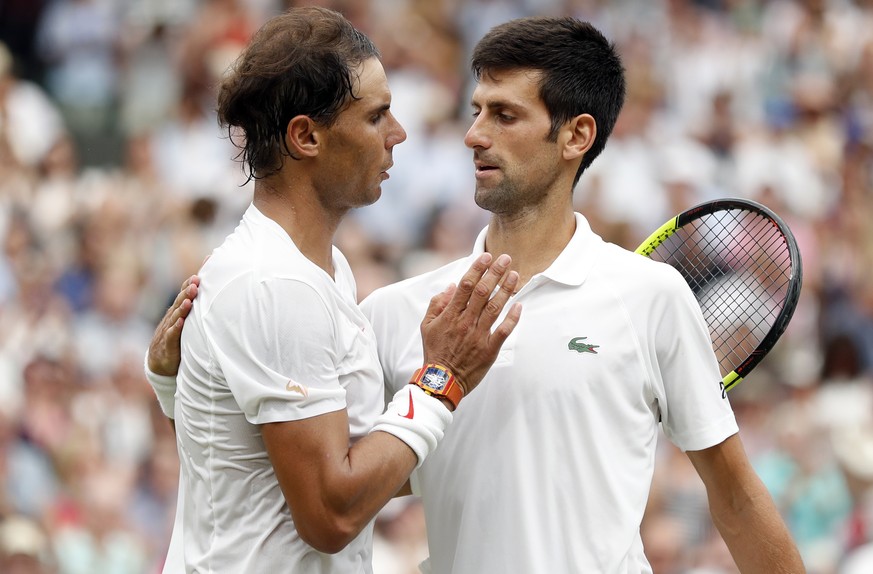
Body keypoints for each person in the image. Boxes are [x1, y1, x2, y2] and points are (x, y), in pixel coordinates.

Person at [149, 14, 805, 574]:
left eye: (504, 115)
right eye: (475, 111)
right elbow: (320, 477)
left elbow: (736, 497)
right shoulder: (394, 312)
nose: (473, 134)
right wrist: (189, 382)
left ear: (576, 135)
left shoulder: (650, 295)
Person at [143, 7, 521, 573]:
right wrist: (443, 379)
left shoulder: (319, 270)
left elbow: (249, 459)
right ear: (306, 136)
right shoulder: (276, 284)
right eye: (376, 117)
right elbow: (330, 515)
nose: (398, 135)